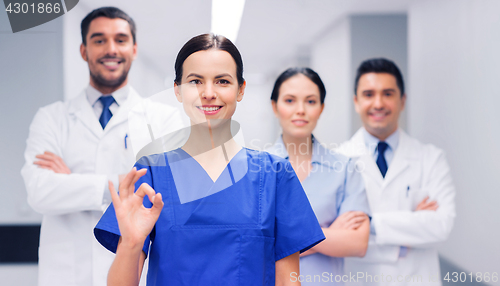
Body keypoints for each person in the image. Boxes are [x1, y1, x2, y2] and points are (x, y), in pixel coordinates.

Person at [94, 34, 325, 286]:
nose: (208, 93)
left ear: (241, 89)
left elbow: (289, 281)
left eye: (222, 81)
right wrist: (130, 245)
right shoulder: (150, 173)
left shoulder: (276, 175)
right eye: (195, 81)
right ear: (178, 90)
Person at [21, 7, 183, 286]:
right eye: (99, 40)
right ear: (84, 51)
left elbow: (169, 192)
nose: (111, 49)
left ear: (134, 49)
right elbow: (39, 191)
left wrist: (71, 182)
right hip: (66, 274)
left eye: (120, 40)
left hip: (135, 273)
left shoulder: (163, 119)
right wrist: (122, 186)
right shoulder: (51, 118)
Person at [337, 58, 456, 285]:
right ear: (356, 101)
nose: (378, 103)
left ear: (402, 101)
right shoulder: (337, 160)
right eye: (369, 94)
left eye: (388, 94)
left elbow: (441, 225)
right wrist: (412, 225)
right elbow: (336, 235)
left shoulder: (431, 158)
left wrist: (368, 224)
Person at [266, 67, 370, 285]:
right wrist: (328, 234)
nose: (301, 110)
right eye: (290, 100)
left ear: (321, 108)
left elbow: (358, 244)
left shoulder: (345, 168)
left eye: (311, 101)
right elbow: (252, 246)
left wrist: (284, 240)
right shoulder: (257, 169)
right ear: (275, 106)